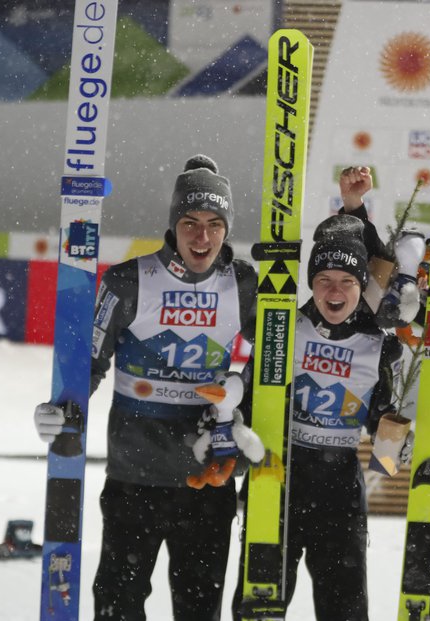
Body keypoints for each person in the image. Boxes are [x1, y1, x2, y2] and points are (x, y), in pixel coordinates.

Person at [34, 154, 259, 621]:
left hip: (207, 483)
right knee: (117, 609)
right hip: (134, 479)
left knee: (199, 612)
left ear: (226, 228)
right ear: (173, 225)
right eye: (190, 222)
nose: (202, 236)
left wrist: (243, 400)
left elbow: (277, 355)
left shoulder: (243, 284)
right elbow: (89, 363)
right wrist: (61, 407)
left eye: (215, 224)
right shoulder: (128, 280)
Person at [233, 167, 404, 621]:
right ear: (311, 282)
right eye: (324, 278)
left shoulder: (372, 340)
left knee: (345, 609)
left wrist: (397, 440)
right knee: (259, 605)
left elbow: (383, 265)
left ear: (358, 289)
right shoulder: (283, 327)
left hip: (340, 491)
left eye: (347, 282)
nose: (335, 290)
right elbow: (248, 399)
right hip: (279, 477)